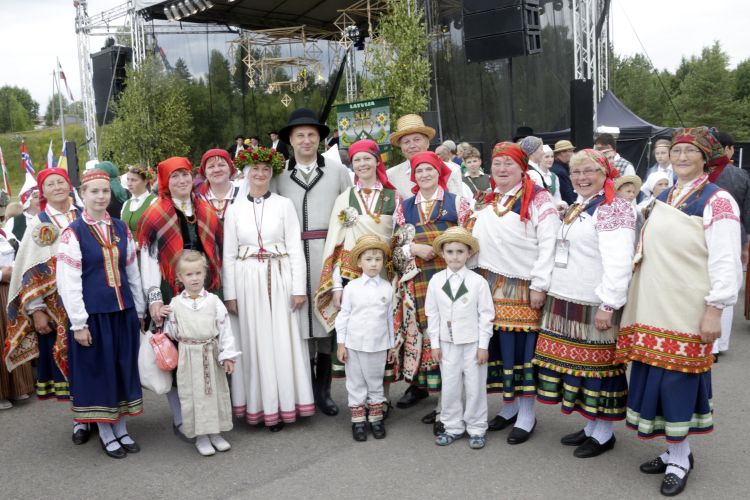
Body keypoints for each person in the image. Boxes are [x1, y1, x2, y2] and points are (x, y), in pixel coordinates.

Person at [616, 127, 741, 497]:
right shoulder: (666, 194)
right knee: (655, 375)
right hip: (655, 302)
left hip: (687, 304)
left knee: (677, 381)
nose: (682, 157)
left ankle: (681, 459)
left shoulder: (718, 200)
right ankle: (674, 449)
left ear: (706, 158)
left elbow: (725, 260)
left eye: (690, 151)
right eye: (676, 151)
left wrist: (715, 309)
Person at [533, 149, 636, 459]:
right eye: (576, 172)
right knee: (578, 367)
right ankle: (592, 425)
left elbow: (619, 261)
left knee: (598, 370)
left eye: (589, 171)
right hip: (566, 297)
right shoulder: (582, 204)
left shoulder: (613, 208)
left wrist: (609, 304)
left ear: (605, 174)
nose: (581, 177)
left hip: (593, 302)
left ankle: (603, 433)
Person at [468, 142, 560, 445]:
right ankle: (509, 406)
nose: (502, 169)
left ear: (522, 168)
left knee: (522, 351)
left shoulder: (538, 198)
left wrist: (539, 284)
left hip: (521, 286)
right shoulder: (486, 198)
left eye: (509, 163)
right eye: (497, 163)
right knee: (497, 348)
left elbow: (549, 243)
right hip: (487, 283)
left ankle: (527, 414)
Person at [56, 168, 145, 459]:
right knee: (100, 373)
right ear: (82, 195)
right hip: (94, 316)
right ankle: (106, 432)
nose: (101, 196)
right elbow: (68, 282)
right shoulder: (73, 233)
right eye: (94, 191)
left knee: (121, 369)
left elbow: (132, 271)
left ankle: (121, 428)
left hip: (122, 311)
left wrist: (139, 309)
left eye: (105, 191)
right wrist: (79, 323)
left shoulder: (120, 227)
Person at [225, 145, 315, 431]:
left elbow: (295, 248)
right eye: (255, 169)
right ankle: (260, 406)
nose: (260, 174)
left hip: (280, 276)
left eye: (265, 169)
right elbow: (229, 254)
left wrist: (298, 288)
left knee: (282, 340)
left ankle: (286, 403)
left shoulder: (283, 205)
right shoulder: (234, 209)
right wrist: (230, 294)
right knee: (254, 341)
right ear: (246, 173)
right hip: (247, 280)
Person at [272, 108, 352, 417]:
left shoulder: (336, 171)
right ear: (290, 140)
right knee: (298, 322)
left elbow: (349, 210)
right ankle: (303, 389)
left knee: (325, 321)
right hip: (292, 256)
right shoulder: (279, 173)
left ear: (319, 139)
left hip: (327, 253)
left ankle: (323, 391)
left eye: (311, 135)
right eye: (300, 135)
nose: (306, 140)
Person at [137, 156, 223, 442]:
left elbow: (216, 251)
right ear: (165, 181)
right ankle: (180, 417)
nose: (182, 180)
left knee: (208, 351)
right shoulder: (155, 213)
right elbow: (149, 259)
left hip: (204, 286)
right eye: (175, 176)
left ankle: (210, 414)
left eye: (185, 174)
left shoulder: (205, 208)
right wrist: (153, 298)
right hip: (170, 289)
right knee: (177, 356)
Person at [390, 151, 471, 431]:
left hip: (451, 278)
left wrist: (442, 249)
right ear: (414, 176)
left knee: (450, 337)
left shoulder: (456, 202)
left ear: (440, 172)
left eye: (429, 170)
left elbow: (470, 240)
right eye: (419, 171)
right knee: (430, 337)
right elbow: (395, 247)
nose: (424, 175)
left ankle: (446, 411)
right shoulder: (405, 207)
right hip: (420, 280)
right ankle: (442, 404)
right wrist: (413, 248)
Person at [4, 168, 81, 439]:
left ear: (69, 185)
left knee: (91, 360)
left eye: (61, 182)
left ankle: (100, 413)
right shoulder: (40, 223)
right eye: (50, 184)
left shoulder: (83, 215)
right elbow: (29, 270)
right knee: (69, 360)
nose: (57, 187)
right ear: (43, 192)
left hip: (88, 301)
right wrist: (36, 310)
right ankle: (81, 419)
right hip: (55, 309)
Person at [313, 140, 400, 372]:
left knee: (383, 328)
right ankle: (356, 389)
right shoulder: (345, 198)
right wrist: (336, 286)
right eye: (357, 160)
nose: (362, 164)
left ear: (377, 161)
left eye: (367, 158)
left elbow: (399, 240)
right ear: (352, 165)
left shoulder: (393, 197)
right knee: (354, 331)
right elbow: (336, 244)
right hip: (351, 277)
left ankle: (382, 389)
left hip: (384, 274)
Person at [162, 250, 240, 455]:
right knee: (193, 396)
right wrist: (165, 319)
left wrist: (228, 355)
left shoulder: (214, 301)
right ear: (180, 277)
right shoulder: (175, 304)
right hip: (188, 357)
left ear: (205, 274)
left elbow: (225, 329)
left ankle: (216, 433)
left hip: (211, 354)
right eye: (189, 274)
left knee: (214, 394)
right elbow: (172, 333)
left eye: (198, 273)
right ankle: (201, 437)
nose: (194, 278)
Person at [426, 227, 493, 449]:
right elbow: (432, 314)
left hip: (472, 343)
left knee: (475, 387)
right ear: (442, 254)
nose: (455, 257)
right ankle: (452, 426)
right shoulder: (436, 281)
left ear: (469, 253)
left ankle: (477, 427)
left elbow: (486, 315)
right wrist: (435, 344)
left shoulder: (477, 282)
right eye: (450, 251)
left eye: (460, 251)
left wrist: (483, 346)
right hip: (447, 344)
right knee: (450, 386)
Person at [335, 235, 395, 442]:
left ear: (383, 262)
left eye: (378, 259)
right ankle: (358, 421)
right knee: (356, 382)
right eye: (368, 259)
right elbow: (344, 316)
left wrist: (391, 346)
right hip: (354, 345)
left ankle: (376, 418)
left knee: (375, 382)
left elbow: (390, 319)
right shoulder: (351, 287)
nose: (373, 264)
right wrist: (341, 344)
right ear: (359, 262)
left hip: (378, 345)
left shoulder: (387, 288)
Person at [707, 129, 750, 356]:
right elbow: (747, 211)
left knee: (707, 285)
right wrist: (746, 243)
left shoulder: (702, 172)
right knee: (727, 284)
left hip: (701, 232)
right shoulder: (740, 175)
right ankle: (720, 342)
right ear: (728, 149)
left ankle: (708, 342)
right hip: (734, 233)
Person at [386, 114, 464, 198]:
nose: (412, 146)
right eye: (406, 142)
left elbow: (457, 202)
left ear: (427, 143)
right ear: (401, 147)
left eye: (417, 140)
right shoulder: (391, 175)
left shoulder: (451, 170)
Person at [0, 227, 34, 410]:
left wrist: (15, 269)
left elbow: (22, 253)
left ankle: (17, 386)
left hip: (9, 291)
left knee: (13, 335)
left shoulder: (5, 233)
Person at [196, 149, 240, 220]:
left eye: (221, 165)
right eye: (211, 167)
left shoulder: (243, 192)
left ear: (230, 168)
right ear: (205, 173)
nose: (217, 170)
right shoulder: (197, 198)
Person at [121, 165, 156, 239]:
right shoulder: (126, 204)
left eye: (134, 180)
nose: (129, 183)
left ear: (145, 181)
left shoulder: (154, 202)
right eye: (128, 179)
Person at [4, 173, 40, 242]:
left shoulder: (50, 217)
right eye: (36, 197)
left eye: (42, 196)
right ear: (27, 201)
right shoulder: (13, 222)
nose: (40, 199)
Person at [540, 144, 567, 210]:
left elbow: (557, 198)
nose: (550, 160)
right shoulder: (534, 175)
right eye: (547, 157)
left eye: (552, 157)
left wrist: (561, 205)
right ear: (539, 158)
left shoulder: (554, 177)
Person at [552, 140, 577, 205]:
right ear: (563, 152)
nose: (573, 154)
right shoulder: (560, 171)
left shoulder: (558, 167)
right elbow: (568, 196)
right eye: (571, 151)